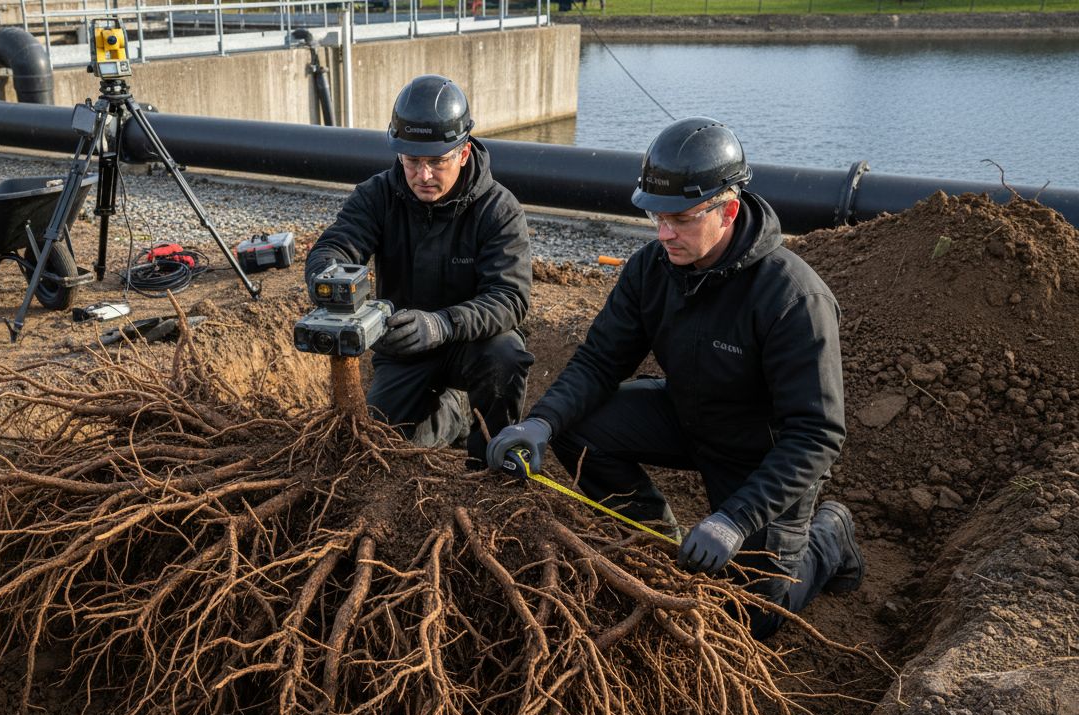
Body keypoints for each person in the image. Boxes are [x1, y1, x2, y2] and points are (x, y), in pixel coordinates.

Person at [484, 117, 864, 640]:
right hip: (688, 417)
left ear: (727, 209)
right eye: (655, 217)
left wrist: (735, 518)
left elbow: (817, 435)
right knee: (578, 425)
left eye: (680, 219)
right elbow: (599, 361)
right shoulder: (651, 269)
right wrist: (541, 424)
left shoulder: (793, 298)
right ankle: (658, 545)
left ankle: (829, 536)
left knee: (754, 620)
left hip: (764, 457)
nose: (663, 233)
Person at [305, 74, 533, 466]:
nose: (423, 176)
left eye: (437, 162)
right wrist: (330, 277)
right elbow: (335, 246)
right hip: (404, 347)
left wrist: (444, 324)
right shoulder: (377, 195)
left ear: (463, 153)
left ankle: (488, 469)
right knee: (377, 446)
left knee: (507, 355)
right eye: (412, 161)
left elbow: (510, 298)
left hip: (472, 343)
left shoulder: (498, 209)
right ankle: (453, 416)